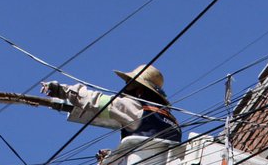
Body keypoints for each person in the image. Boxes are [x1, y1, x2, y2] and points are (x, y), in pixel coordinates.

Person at [41, 63, 181, 147]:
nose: (125, 89)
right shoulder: (174, 122)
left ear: (139, 90)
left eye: (129, 84)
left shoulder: (134, 108)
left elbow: (97, 101)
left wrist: (62, 91)